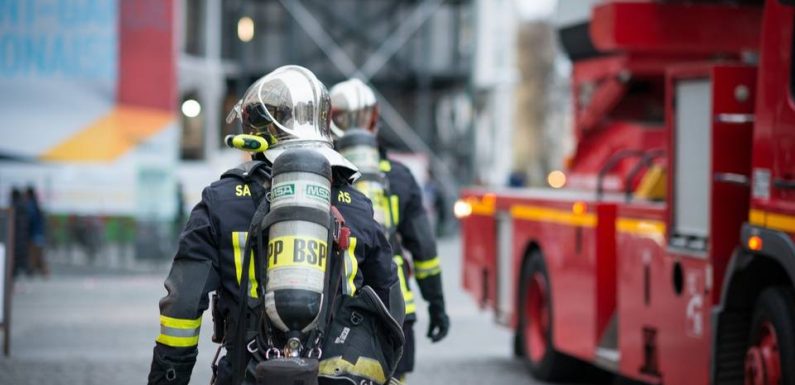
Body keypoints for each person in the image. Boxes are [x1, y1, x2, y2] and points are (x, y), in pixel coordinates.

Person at [147, 66, 400, 385]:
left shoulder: (220, 201)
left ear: (258, 131)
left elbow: (182, 306)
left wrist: (168, 378)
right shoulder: (358, 205)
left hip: (246, 374)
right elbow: (390, 299)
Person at [330, 78, 450, 383]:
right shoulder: (399, 177)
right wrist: (437, 305)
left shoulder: (320, 176)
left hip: (335, 308)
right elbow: (424, 250)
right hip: (395, 310)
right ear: (375, 118)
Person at [26, 186, 49, 277]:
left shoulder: (31, 205)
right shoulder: (36, 204)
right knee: (38, 254)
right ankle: (44, 272)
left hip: (34, 234)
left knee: (34, 254)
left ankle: (39, 272)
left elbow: (30, 219)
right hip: (39, 233)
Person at [10, 188, 30, 277]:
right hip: (23, 235)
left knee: (15, 256)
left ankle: (15, 274)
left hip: (16, 235)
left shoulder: (14, 206)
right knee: (21, 256)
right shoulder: (24, 205)